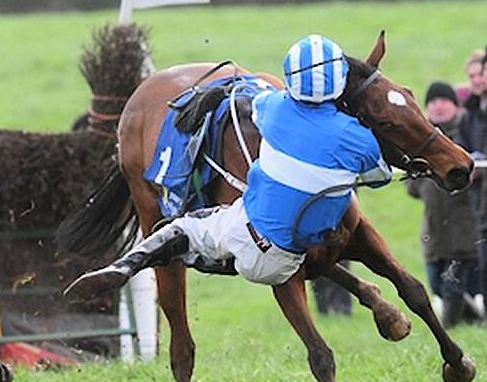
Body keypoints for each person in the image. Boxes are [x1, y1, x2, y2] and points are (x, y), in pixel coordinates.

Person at [67, 35, 392, 294]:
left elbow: (259, 101)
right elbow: (380, 176)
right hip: (298, 249)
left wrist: (217, 96)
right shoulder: (353, 137)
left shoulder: (276, 110)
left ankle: (126, 265)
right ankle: (364, 290)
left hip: (255, 249)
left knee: (182, 228)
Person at [407, 82, 481, 327]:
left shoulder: (465, 135)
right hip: (433, 231)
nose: (438, 106)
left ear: (455, 105)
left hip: (463, 231)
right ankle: (473, 317)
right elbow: (412, 188)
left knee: (452, 288)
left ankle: (448, 329)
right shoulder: (419, 141)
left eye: (444, 100)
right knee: (437, 286)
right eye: (433, 101)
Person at [457, 48, 487, 297]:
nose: (477, 80)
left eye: (481, 74)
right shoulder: (468, 117)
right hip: (481, 205)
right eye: (472, 76)